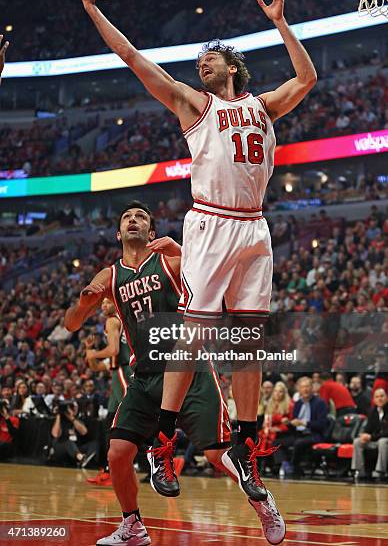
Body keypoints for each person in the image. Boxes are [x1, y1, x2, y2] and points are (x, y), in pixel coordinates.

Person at [74, 0, 316, 511]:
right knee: (196, 332)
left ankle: (248, 446)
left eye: (211, 57)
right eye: (199, 60)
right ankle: (162, 439)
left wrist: (281, 22)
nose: (201, 62)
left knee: (251, 341)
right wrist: (92, 8)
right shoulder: (193, 103)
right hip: (209, 221)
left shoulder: (261, 105)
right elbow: (134, 58)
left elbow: (306, 79)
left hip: (254, 226)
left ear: (232, 66)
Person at [64, 202, 285, 546]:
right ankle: (133, 526)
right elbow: (72, 323)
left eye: (140, 217)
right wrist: (84, 302)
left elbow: (210, 276)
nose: (132, 220)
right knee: (117, 453)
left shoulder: (170, 261)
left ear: (151, 232)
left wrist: (181, 248)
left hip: (188, 369)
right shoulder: (110, 276)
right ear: (118, 233)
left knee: (216, 454)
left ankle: (262, 503)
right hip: (147, 377)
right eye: (126, 217)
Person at [85, 298, 132, 486]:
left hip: (123, 373)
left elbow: (113, 349)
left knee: (130, 420)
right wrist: (90, 351)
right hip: (117, 373)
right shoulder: (122, 321)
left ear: (116, 303)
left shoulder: (113, 320)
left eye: (107, 302)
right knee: (108, 425)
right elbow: (96, 367)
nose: (104, 306)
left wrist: (94, 354)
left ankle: (161, 454)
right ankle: (106, 471)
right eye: (102, 304)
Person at [273, 377, 328, 476]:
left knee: (299, 443)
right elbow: (294, 425)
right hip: (298, 434)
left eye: (307, 386)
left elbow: (322, 424)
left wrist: (305, 423)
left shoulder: (320, 403)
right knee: (276, 442)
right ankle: (284, 464)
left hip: (313, 434)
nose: (305, 389)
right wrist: (288, 423)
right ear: (299, 389)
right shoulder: (298, 404)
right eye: (302, 387)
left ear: (312, 388)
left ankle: (293, 467)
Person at [352, 388, 388, 480]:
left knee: (383, 441)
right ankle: (359, 470)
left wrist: (371, 437)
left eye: (382, 396)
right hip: (375, 440)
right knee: (357, 441)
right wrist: (364, 435)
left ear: (386, 398)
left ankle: (380, 471)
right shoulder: (373, 412)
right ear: (374, 400)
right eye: (377, 397)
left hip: (384, 440)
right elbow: (368, 428)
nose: (379, 399)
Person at [50, 400, 96, 468]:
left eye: (73, 407)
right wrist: (59, 415)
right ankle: (81, 459)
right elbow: (55, 434)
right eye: (70, 407)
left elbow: (84, 432)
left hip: (76, 447)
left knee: (95, 443)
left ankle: (86, 460)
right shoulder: (59, 420)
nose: (72, 409)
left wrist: (72, 418)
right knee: (68, 442)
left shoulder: (78, 420)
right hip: (61, 447)